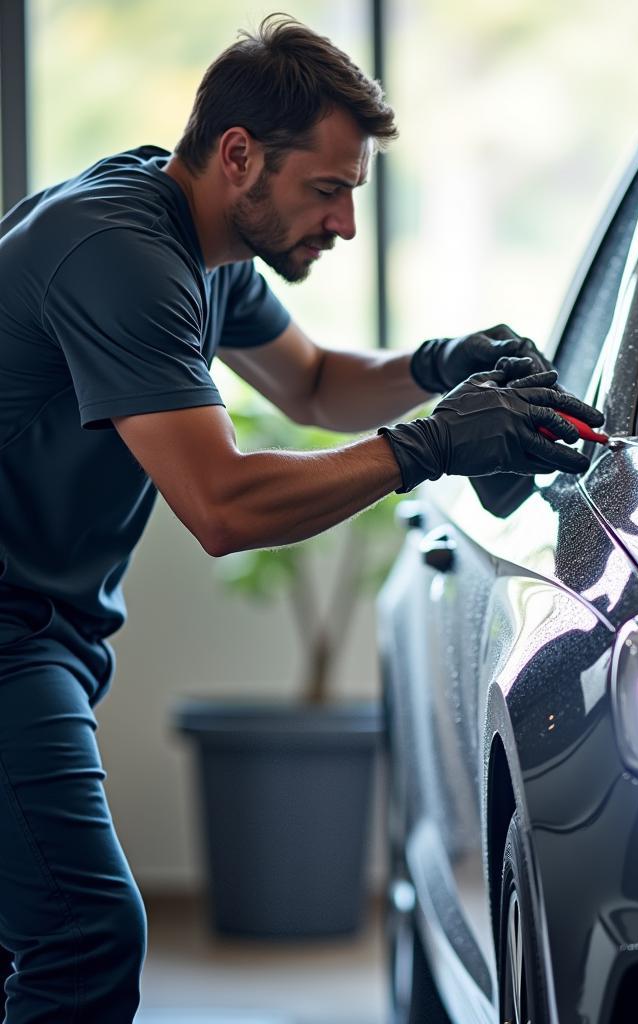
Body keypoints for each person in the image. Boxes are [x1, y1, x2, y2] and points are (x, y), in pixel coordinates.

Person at [0, 14, 603, 1022]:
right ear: (240, 156)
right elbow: (223, 505)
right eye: (328, 190)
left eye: (354, 194)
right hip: (10, 636)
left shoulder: (205, 239)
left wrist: (437, 364)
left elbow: (314, 385)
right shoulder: (118, 253)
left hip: (41, 629)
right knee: (83, 933)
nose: (346, 225)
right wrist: (427, 446)